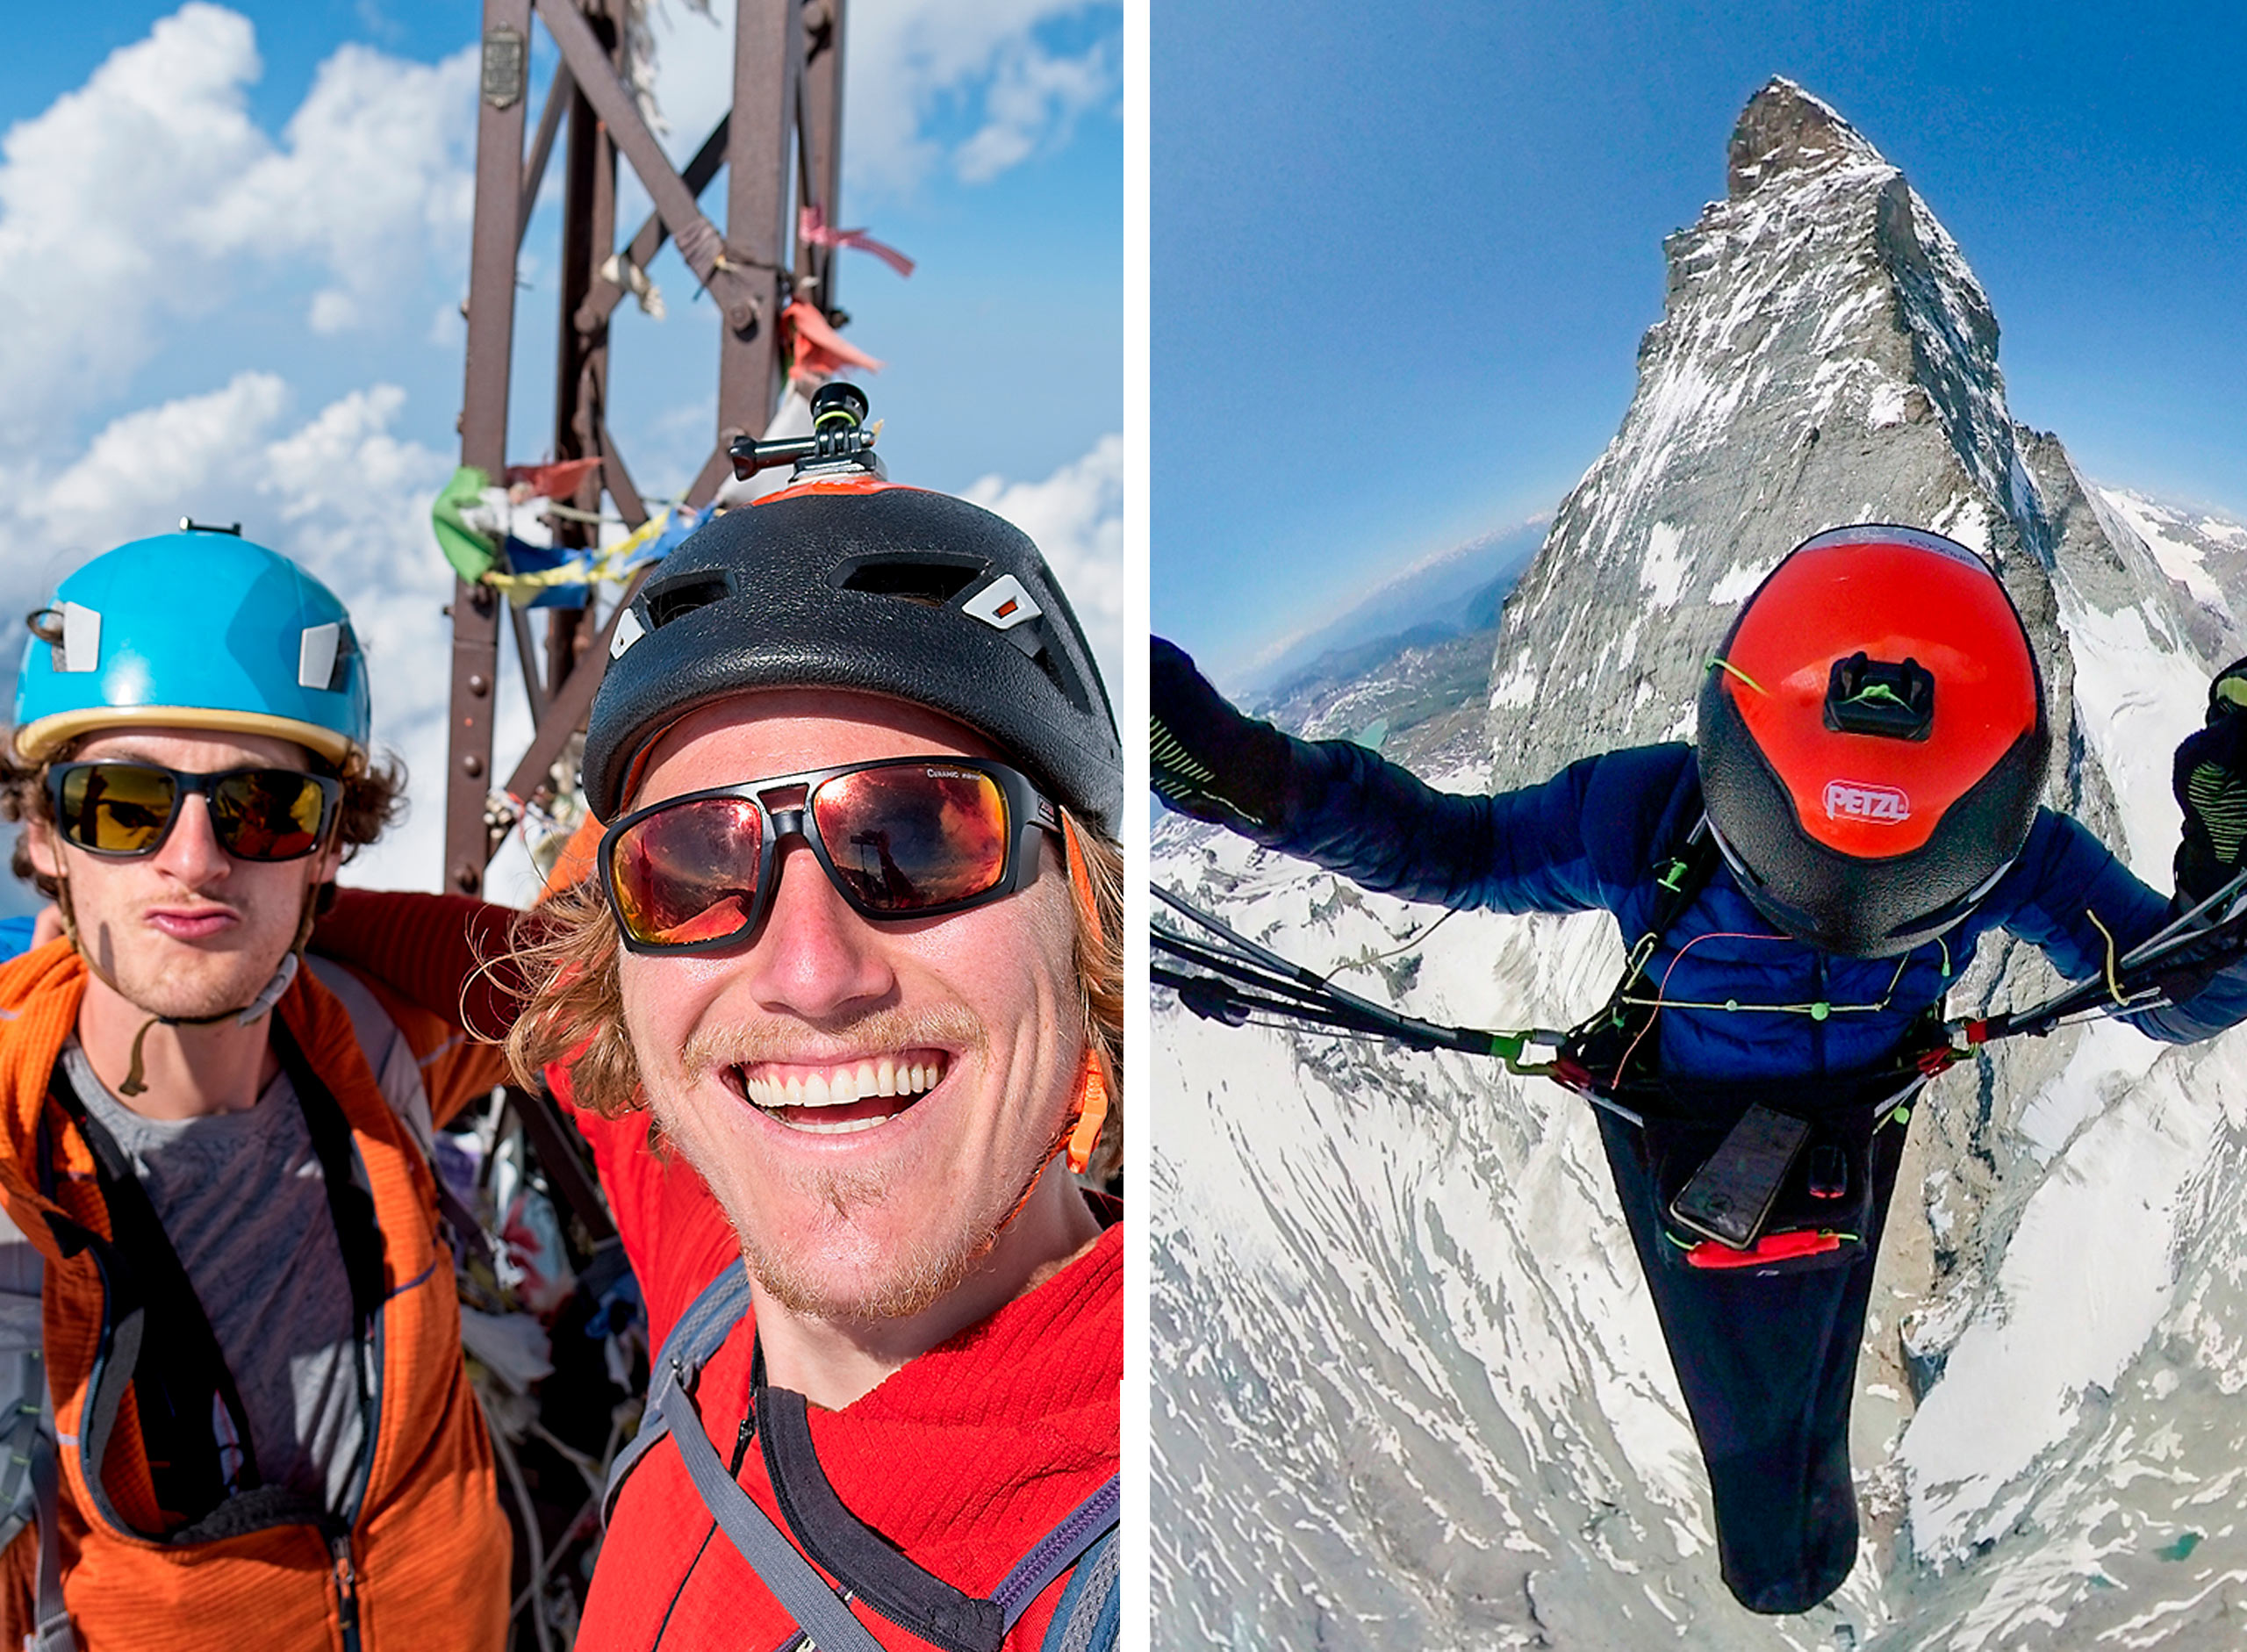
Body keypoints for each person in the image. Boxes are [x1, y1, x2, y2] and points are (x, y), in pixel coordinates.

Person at [1151, 522, 2247, 1614]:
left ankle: (1782, 1559)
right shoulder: (1946, 842)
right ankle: (1783, 1561)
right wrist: (1265, 782)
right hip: (1810, 1112)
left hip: (1723, 1113)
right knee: (1771, 1421)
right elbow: (2172, 993)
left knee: (1761, 1412)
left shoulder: (1671, 818)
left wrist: (2226, 893)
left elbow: (1462, 852)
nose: (1842, 912)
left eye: (1901, 886)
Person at [319, 406, 1126, 1650]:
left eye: (916, 838)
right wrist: (247, 892)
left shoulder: (1142, 1520)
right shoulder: (720, 1247)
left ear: (1083, 924)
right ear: (626, 975)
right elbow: (498, 966)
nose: (807, 970)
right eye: (696, 867)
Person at [0, 527, 510, 1649]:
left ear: (336, 841)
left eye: (264, 809)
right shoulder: (14, 1159)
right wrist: (270, 902)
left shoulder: (378, 1046)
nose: (193, 857)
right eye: (123, 806)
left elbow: (586, 977)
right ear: (44, 836)